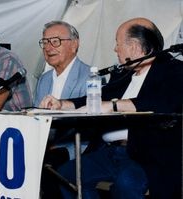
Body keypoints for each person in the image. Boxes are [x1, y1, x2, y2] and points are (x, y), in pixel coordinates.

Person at [39, 17, 183, 199]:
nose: (115, 49)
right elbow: (95, 98)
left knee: (126, 183)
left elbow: (158, 103)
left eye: (118, 43)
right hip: (110, 152)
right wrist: (62, 103)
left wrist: (113, 106)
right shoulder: (123, 75)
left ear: (135, 47)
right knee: (67, 173)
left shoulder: (173, 70)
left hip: (146, 154)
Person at [35, 20, 91, 199]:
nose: (48, 47)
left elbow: (91, 126)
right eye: (45, 42)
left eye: (55, 41)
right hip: (46, 144)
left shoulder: (91, 77)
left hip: (76, 144)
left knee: (46, 166)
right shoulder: (44, 79)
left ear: (74, 45)